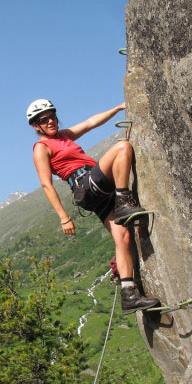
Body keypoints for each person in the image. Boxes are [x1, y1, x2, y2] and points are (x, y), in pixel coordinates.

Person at [28, 99, 158, 313]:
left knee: (123, 237)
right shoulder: (41, 148)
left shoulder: (65, 136)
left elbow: (90, 123)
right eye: (44, 119)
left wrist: (117, 108)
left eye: (52, 116)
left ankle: (129, 295)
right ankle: (124, 200)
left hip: (95, 192)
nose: (51, 121)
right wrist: (63, 217)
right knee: (122, 147)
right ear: (36, 125)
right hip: (85, 185)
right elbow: (46, 184)